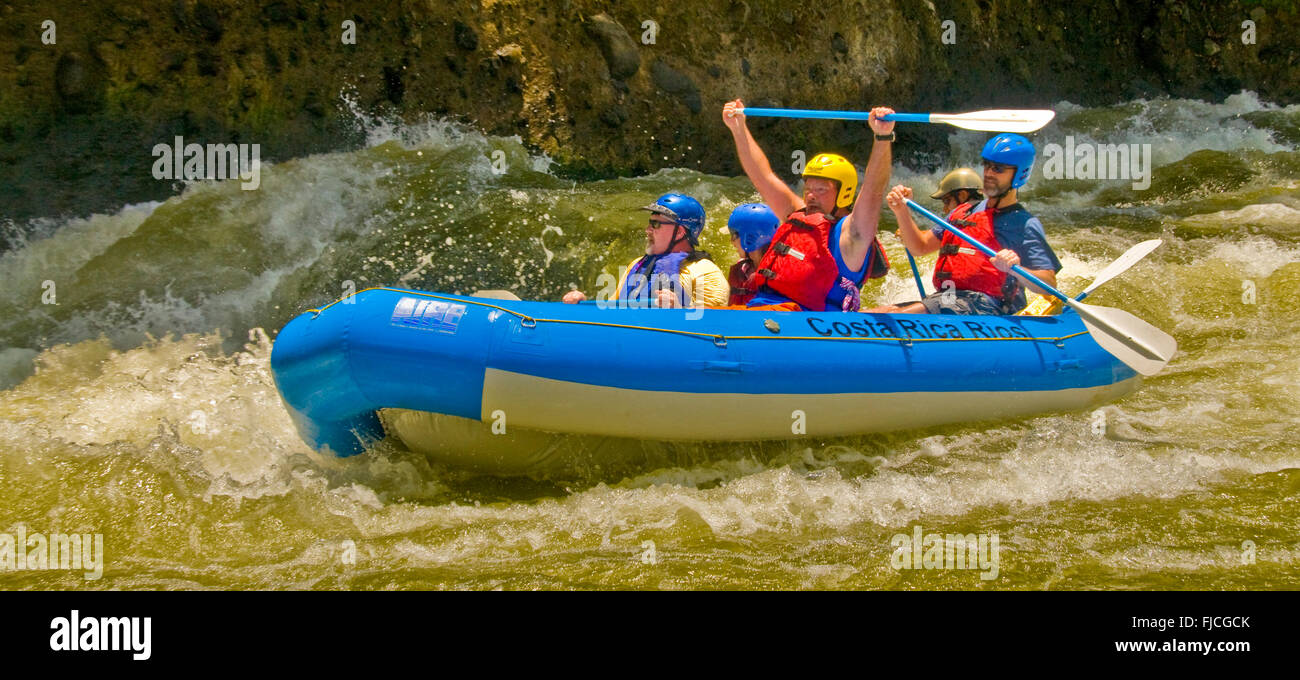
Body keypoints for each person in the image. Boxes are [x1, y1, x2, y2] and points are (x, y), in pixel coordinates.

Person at [720, 100, 892, 311]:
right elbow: (763, 177)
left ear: (844, 193)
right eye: (808, 188)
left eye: (821, 190)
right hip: (763, 310)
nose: (811, 195)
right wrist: (738, 128)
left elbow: (873, 191)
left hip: (803, 319)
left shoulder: (853, 235)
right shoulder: (799, 214)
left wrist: (882, 137)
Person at [869, 134, 1061, 315]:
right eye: (987, 166)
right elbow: (920, 247)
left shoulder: (1024, 223)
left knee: (900, 315)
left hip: (989, 308)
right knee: (880, 313)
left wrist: (1015, 268)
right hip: (949, 300)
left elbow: (1049, 284)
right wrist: (901, 211)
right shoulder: (965, 211)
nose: (988, 173)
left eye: (998, 169)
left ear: (1019, 174)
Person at [563, 193, 728, 308]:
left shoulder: (705, 271)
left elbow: (717, 327)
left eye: (656, 224)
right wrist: (583, 303)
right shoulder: (637, 265)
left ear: (679, 232)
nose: (648, 230)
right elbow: (613, 310)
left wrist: (681, 307)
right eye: (650, 223)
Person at [724, 203, 780, 306]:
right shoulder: (742, 268)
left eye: (734, 235)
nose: (731, 241)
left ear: (749, 238)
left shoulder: (780, 273)